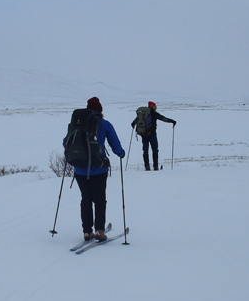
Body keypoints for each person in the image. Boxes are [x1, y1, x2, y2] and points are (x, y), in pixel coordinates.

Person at [64, 97, 125, 242]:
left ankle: (86, 232)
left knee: (86, 199)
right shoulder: (104, 124)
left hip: (79, 169)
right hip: (99, 169)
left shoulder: (76, 125)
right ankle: (99, 231)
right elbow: (115, 144)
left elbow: (65, 143)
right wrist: (121, 153)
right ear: (100, 110)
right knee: (99, 199)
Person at [131, 101, 176, 171]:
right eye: (155, 106)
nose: (156, 107)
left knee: (145, 150)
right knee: (155, 150)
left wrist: (133, 124)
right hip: (152, 135)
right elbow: (163, 118)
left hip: (144, 135)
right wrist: (172, 121)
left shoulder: (143, 114)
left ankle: (147, 166)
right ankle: (155, 166)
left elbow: (134, 122)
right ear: (152, 106)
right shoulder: (154, 114)